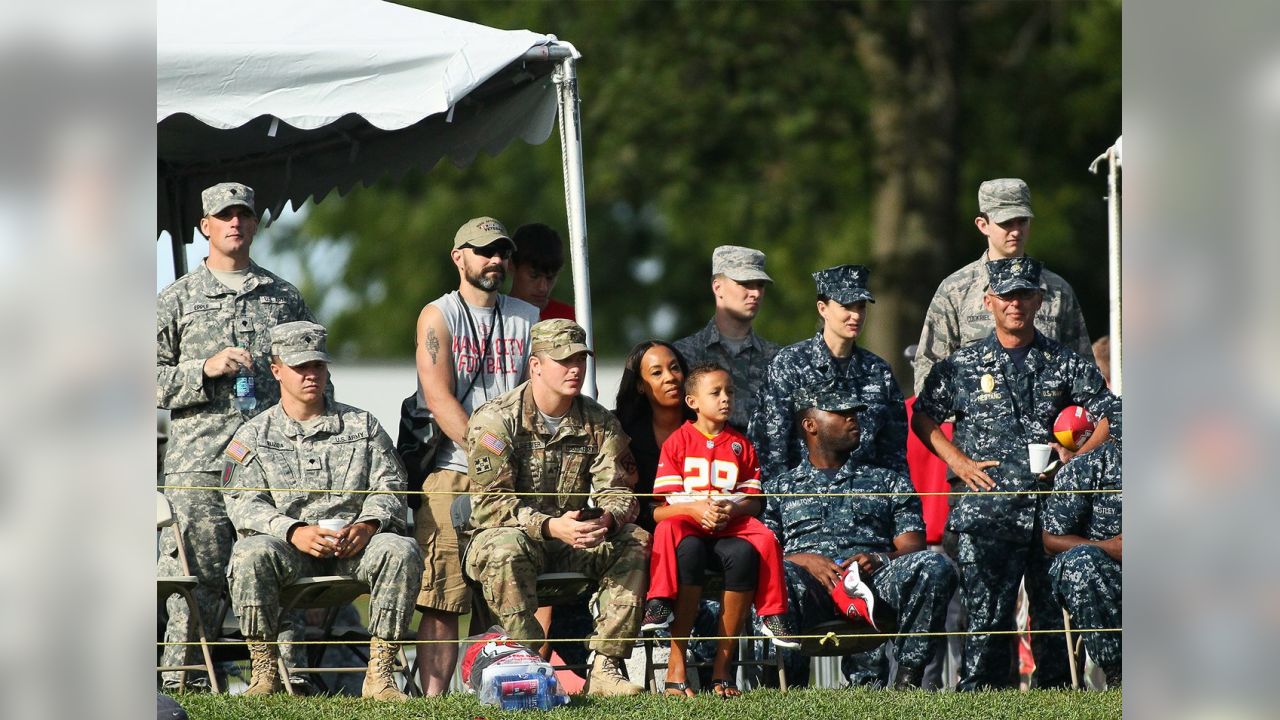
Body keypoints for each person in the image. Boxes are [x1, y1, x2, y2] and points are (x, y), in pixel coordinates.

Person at [911, 257, 1116, 690]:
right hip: (988, 514)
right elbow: (924, 417)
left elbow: (1110, 413)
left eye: (1025, 294)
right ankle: (984, 702)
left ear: (1039, 300)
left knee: (1053, 637)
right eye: (1006, 296)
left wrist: (1074, 461)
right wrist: (958, 462)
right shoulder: (963, 364)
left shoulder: (1064, 362)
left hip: (1053, 515)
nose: (1015, 304)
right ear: (989, 302)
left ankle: (1055, 702)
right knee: (985, 633)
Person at [156, 182, 319, 690]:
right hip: (199, 460)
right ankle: (186, 682)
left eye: (244, 214)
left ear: (254, 224)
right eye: (223, 215)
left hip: (271, 464)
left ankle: (283, 682)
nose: (235, 223)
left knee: (275, 567)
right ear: (204, 226)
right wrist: (204, 367)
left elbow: (311, 372)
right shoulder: (176, 299)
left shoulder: (284, 297)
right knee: (197, 579)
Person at [221, 321, 424, 701]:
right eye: (300, 367)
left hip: (354, 549)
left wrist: (368, 525)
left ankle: (379, 676)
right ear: (276, 369)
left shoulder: (362, 426)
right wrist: (293, 531)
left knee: (401, 550)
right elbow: (242, 502)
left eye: (318, 366)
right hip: (291, 552)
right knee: (249, 554)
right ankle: (265, 673)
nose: (311, 375)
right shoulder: (253, 435)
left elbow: (391, 486)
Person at [464, 319, 650, 697]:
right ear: (536, 366)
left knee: (636, 540)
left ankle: (606, 668)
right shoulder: (496, 420)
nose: (575, 369)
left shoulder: (598, 421)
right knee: (504, 546)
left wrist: (607, 520)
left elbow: (619, 488)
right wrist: (550, 527)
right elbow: (490, 506)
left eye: (580, 360)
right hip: (509, 541)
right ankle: (527, 665)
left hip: (572, 543)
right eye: (564, 360)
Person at [411, 216, 540, 694]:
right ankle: (434, 699)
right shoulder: (437, 315)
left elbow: (539, 394)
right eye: (484, 250)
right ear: (457, 256)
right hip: (452, 472)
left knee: (503, 591)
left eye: (503, 252)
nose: (495, 260)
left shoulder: (528, 316)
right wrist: (488, 459)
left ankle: (499, 687)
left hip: (513, 481)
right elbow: (439, 398)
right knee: (442, 595)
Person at [761, 381, 956, 689]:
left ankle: (907, 681)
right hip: (808, 586)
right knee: (775, 574)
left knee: (935, 566)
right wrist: (804, 561)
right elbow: (763, 548)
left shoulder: (889, 481)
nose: (853, 419)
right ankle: (784, 686)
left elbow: (912, 546)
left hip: (872, 584)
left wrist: (879, 559)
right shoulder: (778, 489)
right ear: (810, 424)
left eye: (855, 413)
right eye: (841, 414)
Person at [639, 363, 797, 699]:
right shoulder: (677, 442)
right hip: (689, 528)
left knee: (762, 540)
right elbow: (661, 507)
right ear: (693, 401)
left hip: (730, 529)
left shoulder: (741, 444)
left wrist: (732, 508)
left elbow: (754, 502)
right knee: (676, 535)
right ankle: (660, 603)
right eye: (716, 393)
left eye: (729, 392)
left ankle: (765, 622)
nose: (726, 399)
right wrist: (696, 509)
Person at [912, 177, 1093, 398]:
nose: (1016, 231)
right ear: (983, 225)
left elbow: (1084, 370)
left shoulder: (1056, 291)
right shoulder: (956, 290)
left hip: (1048, 428)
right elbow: (928, 368)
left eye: (1022, 221)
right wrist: (959, 419)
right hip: (979, 428)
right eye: (1006, 223)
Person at [750, 264, 907, 480]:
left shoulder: (879, 372)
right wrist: (778, 504)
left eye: (861, 307)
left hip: (866, 501)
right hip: (805, 501)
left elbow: (894, 454)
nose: (855, 315)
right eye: (846, 306)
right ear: (822, 308)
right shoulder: (789, 364)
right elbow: (770, 447)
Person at [1043, 405, 1123, 687]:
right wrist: (1107, 547)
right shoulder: (1086, 468)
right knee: (1081, 562)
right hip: (1108, 574)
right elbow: (1051, 541)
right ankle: (1119, 676)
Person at [673, 245, 779, 433]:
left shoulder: (777, 359)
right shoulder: (682, 355)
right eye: (745, 283)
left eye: (760, 285)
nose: (755, 293)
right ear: (717, 287)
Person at [613, 340, 695, 532]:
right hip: (642, 530)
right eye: (657, 372)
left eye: (675, 368)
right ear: (640, 385)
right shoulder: (621, 432)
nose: (670, 378)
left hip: (701, 528)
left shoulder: (709, 425)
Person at [510, 222, 575, 320]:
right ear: (511, 266)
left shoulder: (572, 320)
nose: (543, 288)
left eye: (550, 278)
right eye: (534, 276)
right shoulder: (491, 317)